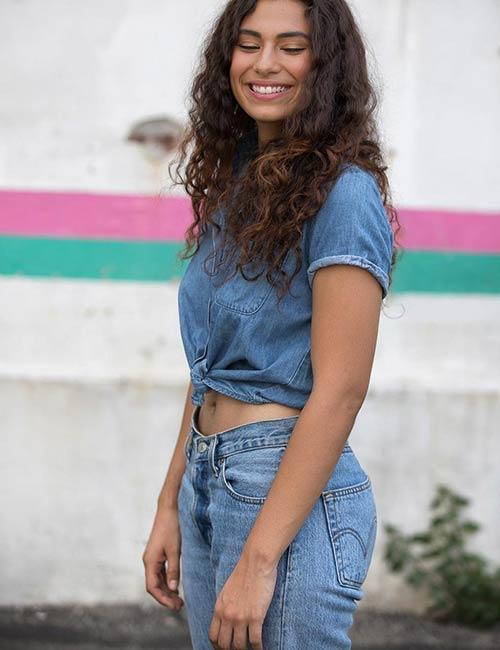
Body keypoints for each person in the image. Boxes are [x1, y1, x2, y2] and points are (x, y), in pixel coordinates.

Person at [143, 0, 400, 648]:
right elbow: (208, 367)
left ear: (325, 63)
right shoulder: (235, 185)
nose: (264, 64)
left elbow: (340, 390)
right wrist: (170, 501)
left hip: (283, 497)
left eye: (290, 46)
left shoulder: (344, 194)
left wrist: (260, 561)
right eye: (249, 43)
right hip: (211, 476)